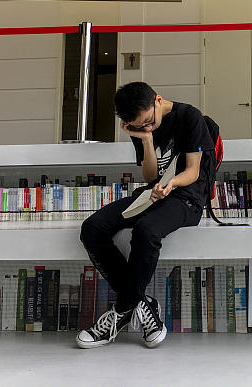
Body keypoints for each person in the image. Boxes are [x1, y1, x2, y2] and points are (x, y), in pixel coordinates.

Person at [77, 82, 216, 349]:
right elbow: (151, 175)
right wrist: (147, 140)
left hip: (187, 197)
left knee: (146, 230)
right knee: (92, 228)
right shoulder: (141, 127)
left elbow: (193, 171)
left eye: (149, 122)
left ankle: (121, 311)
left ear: (158, 100)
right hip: (153, 192)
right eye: (139, 126)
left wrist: (171, 184)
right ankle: (142, 303)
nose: (146, 127)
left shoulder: (190, 116)